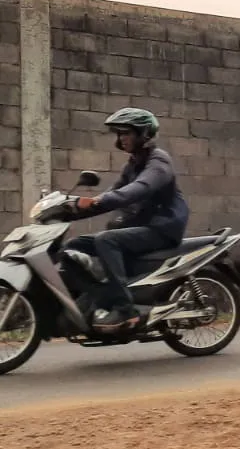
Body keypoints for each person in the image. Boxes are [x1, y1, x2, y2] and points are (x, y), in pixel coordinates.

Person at [69, 107, 190, 331]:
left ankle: (126, 311)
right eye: (119, 134)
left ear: (143, 133)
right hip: (142, 227)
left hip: (162, 228)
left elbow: (140, 188)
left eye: (126, 133)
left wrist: (97, 200)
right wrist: (70, 209)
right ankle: (100, 299)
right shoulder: (132, 165)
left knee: (106, 240)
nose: (121, 138)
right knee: (73, 246)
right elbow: (112, 196)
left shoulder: (159, 161)